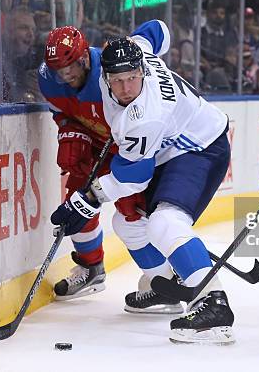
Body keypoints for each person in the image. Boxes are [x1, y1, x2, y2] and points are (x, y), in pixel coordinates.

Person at [49, 20, 236, 344]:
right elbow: (159, 29)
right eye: (118, 80)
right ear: (104, 76)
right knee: (128, 224)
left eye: (132, 78)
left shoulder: (143, 116)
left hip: (200, 147)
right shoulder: (137, 52)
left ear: (142, 72)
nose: (126, 88)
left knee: (165, 222)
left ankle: (212, 304)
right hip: (169, 150)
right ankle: (163, 286)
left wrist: (86, 200)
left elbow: (133, 176)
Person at [37, 25, 155, 303]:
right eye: (59, 72)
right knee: (76, 206)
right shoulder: (48, 80)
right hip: (94, 144)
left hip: (127, 147)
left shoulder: (111, 73)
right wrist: (70, 134)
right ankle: (92, 269)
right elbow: (64, 116)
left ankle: (158, 275)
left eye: (70, 69)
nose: (65, 77)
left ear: (85, 59)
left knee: (133, 210)